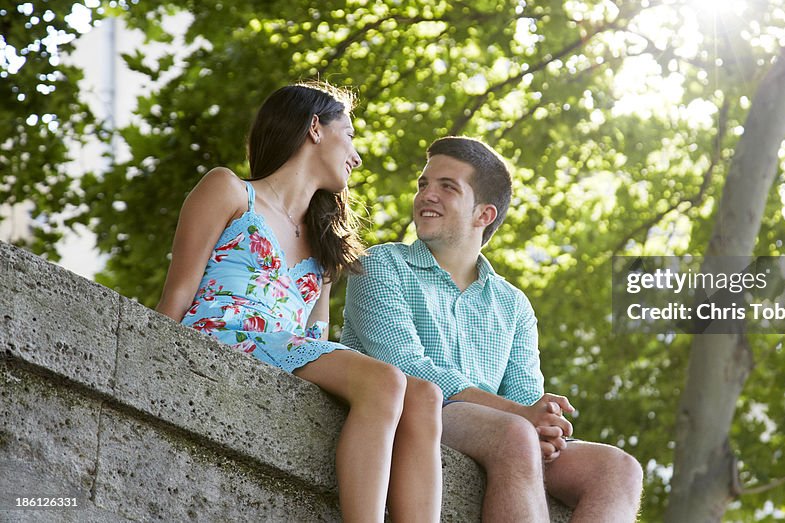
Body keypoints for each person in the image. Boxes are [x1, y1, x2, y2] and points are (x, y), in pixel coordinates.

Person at [156, 82, 442, 523]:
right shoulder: (230, 191)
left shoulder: (325, 244)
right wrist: (151, 360)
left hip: (286, 352)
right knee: (386, 379)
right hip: (225, 334)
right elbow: (178, 290)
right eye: (349, 134)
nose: (357, 154)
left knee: (424, 394)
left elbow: (315, 337)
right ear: (314, 128)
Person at [341, 136, 644, 522]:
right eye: (423, 184)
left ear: (483, 215)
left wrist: (545, 426)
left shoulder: (513, 304)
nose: (426, 195)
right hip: (412, 413)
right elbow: (405, 365)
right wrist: (520, 416)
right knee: (515, 433)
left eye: (446, 187)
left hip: (496, 431)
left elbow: (524, 397)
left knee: (619, 469)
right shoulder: (380, 265)